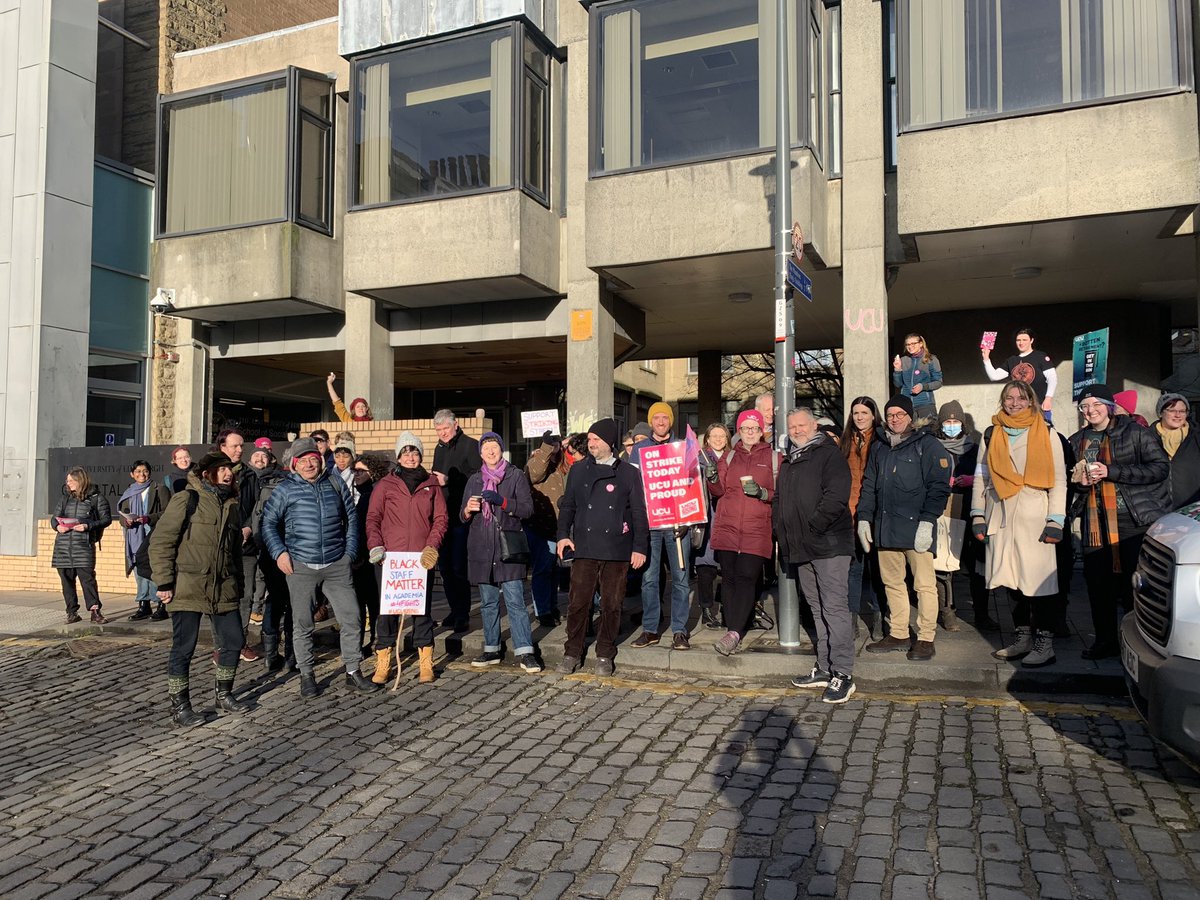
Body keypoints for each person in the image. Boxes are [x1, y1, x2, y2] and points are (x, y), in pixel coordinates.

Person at [260, 437, 381, 697]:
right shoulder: (285, 490)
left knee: (352, 618)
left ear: (319, 461)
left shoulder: (335, 483)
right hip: (301, 564)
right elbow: (268, 524)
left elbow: (351, 519)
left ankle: (352, 671)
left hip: (337, 563)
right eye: (302, 461)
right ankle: (307, 674)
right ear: (294, 464)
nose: (308, 464)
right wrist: (279, 552)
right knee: (303, 624)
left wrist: (349, 553)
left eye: (313, 459)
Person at [1069, 384, 1172, 659]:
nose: (1090, 411)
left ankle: (1137, 642)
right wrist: (1079, 483)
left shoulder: (1135, 432)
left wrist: (1111, 471)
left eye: (1095, 404)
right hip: (1094, 522)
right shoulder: (1076, 440)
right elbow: (1071, 484)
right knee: (1098, 585)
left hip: (1133, 520)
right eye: (1084, 406)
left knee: (1134, 585)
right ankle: (1105, 641)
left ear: (1109, 406)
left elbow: (1160, 468)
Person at [970, 382, 1068, 668]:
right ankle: (1022, 637)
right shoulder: (991, 433)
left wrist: (1056, 520)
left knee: (1039, 583)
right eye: (1009, 397)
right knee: (1011, 581)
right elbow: (981, 476)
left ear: (1031, 401)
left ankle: (1044, 643)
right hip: (1000, 512)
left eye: (1021, 397)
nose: (1014, 402)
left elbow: (1059, 479)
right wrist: (978, 514)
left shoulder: (1047, 433)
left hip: (1035, 515)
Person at [149, 451, 249, 726]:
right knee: (184, 647)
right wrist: (164, 582)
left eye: (231, 469)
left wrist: (238, 585)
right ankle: (180, 707)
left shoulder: (232, 505)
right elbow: (161, 542)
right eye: (223, 469)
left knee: (233, 642)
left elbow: (234, 554)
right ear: (208, 473)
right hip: (187, 586)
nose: (229, 473)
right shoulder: (187, 499)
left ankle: (224, 694)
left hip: (224, 588)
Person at [858, 395, 953, 661]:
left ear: (910, 416)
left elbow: (939, 486)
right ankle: (899, 632)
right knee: (892, 584)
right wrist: (865, 518)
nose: (895, 419)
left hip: (916, 528)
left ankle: (925, 637)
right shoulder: (879, 448)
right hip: (886, 528)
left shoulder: (928, 445)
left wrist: (928, 520)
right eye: (890, 415)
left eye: (900, 414)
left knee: (924, 586)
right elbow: (869, 486)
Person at [556, 417, 649, 676]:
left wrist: (639, 546)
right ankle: (572, 652)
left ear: (609, 442)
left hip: (617, 548)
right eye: (590, 438)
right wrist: (563, 535)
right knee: (578, 603)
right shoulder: (578, 470)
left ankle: (605, 653)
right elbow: (569, 506)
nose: (591, 443)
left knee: (612, 604)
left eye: (596, 439)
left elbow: (639, 513)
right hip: (584, 546)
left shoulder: (629, 473)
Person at [776, 409, 857, 704]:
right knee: (817, 608)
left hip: (829, 544)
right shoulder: (790, 460)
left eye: (802, 425)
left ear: (814, 426)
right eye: (792, 426)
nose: (797, 430)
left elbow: (836, 497)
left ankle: (844, 674)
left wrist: (814, 526)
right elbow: (780, 500)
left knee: (834, 608)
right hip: (802, 546)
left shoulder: (828, 454)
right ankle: (825, 667)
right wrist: (782, 531)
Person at [366, 432, 447, 684]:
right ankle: (384, 660)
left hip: (421, 559)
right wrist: (376, 546)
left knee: (422, 610)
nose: (411, 457)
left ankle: (425, 660)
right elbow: (373, 519)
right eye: (406, 452)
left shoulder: (432, 484)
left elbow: (441, 519)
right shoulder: (385, 485)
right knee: (387, 611)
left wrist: (432, 546)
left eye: (415, 452)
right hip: (390, 559)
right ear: (398, 456)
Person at [461, 432, 539, 671]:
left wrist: (502, 501)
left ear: (501, 449)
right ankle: (492, 648)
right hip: (482, 549)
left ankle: (525, 650)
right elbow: (461, 516)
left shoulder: (515, 475)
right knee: (488, 602)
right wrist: (467, 510)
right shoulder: (474, 479)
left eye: (494, 447)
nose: (491, 452)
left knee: (515, 601)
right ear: (481, 454)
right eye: (486, 449)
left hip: (508, 549)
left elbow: (527, 510)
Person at [706, 409, 779, 656]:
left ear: (761, 431)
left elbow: (778, 492)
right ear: (738, 431)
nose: (750, 432)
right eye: (745, 428)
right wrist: (712, 477)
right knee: (728, 578)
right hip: (728, 527)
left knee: (747, 577)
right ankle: (734, 627)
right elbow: (718, 491)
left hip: (756, 529)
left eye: (754, 428)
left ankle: (734, 632)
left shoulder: (773, 458)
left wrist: (763, 493)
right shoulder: (728, 457)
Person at [631, 401, 692, 650]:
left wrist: (689, 518)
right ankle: (651, 629)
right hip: (650, 524)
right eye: (656, 418)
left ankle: (679, 630)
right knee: (649, 579)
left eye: (664, 418)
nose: (660, 422)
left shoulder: (684, 447)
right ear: (651, 422)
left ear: (670, 421)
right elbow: (634, 487)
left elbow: (693, 483)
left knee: (681, 578)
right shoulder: (639, 449)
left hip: (678, 523)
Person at [525, 431, 585, 627]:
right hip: (542, 525)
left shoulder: (571, 463)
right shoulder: (542, 460)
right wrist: (546, 448)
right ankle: (543, 611)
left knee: (555, 571)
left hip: (563, 528)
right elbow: (533, 473)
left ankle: (551, 607)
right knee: (543, 569)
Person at [840, 397, 886, 639]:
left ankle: (879, 619)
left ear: (873, 414)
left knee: (878, 570)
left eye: (864, 412)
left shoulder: (881, 439)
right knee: (854, 570)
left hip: (875, 513)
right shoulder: (846, 440)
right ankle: (851, 620)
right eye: (855, 412)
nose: (859, 417)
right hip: (850, 513)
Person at [932, 401, 979, 633]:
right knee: (943, 565)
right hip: (944, 511)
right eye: (948, 422)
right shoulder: (932, 446)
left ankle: (982, 614)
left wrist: (972, 480)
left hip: (970, 510)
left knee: (976, 564)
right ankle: (947, 611)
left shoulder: (975, 448)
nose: (952, 426)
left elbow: (986, 473)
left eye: (956, 421)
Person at [432, 409, 481, 632]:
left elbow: (477, 477)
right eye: (439, 429)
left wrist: (449, 479)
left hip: (462, 514)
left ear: (456, 425)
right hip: (442, 515)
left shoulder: (470, 445)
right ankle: (454, 609)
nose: (442, 433)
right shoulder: (439, 448)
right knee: (445, 567)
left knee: (458, 566)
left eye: (445, 428)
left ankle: (463, 613)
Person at [217, 428, 261, 662]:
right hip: (218, 547)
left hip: (246, 547)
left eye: (242, 445)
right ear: (222, 447)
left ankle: (240, 642)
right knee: (221, 595)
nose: (240, 449)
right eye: (235, 445)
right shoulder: (210, 474)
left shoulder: (250, 475)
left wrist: (248, 527)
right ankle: (221, 645)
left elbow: (256, 507)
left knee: (245, 595)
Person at [250, 446, 294, 673]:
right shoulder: (294, 487)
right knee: (292, 604)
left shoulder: (266, 486)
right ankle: (290, 657)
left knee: (274, 602)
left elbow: (259, 525)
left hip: (269, 552)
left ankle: (271, 655)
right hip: (289, 553)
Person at [51, 467, 112, 624]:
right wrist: (58, 527)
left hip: (83, 546)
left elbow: (106, 520)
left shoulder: (96, 498)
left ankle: (95, 611)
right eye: (67, 481)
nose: (68, 483)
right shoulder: (65, 498)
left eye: (71, 480)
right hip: (63, 547)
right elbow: (54, 519)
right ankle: (71, 612)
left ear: (81, 481)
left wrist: (87, 526)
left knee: (87, 580)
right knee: (66, 580)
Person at [118, 460, 172, 621]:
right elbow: (122, 515)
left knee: (154, 569)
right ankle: (144, 604)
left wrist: (149, 518)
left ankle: (161, 606)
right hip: (134, 536)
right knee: (139, 570)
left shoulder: (159, 489)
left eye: (145, 471)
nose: (142, 474)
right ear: (132, 474)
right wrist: (126, 521)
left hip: (153, 533)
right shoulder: (129, 492)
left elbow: (168, 512)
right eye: (138, 471)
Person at [351, 452, 391, 654]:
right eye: (354, 470)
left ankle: (378, 640)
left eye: (361, 471)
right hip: (360, 557)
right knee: (362, 601)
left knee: (374, 602)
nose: (356, 474)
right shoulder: (363, 495)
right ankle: (364, 641)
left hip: (372, 557)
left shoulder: (375, 493)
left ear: (373, 472)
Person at [695, 422, 732, 630]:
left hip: (727, 517)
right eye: (714, 436)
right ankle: (707, 610)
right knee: (706, 566)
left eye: (722, 436)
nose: (718, 440)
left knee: (727, 566)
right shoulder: (698, 459)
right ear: (707, 439)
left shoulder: (733, 459)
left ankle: (727, 607)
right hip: (706, 518)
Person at [982, 327, 1056, 423]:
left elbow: (1052, 378)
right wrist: (986, 359)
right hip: (1018, 408)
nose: (1021, 343)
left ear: (1031, 340)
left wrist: (1048, 399)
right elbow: (994, 376)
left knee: (1043, 433)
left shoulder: (1040, 356)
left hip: (1039, 405)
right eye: (1018, 340)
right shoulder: (1011, 360)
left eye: (1024, 340)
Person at [1152, 393, 1200, 507]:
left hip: (1191, 507)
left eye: (1182, 411)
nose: (1178, 415)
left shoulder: (1196, 436)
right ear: (1161, 412)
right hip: (1157, 507)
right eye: (1172, 410)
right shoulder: (1147, 437)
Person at [891, 333, 942, 421]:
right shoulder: (903, 360)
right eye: (907, 344)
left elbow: (938, 382)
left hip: (925, 405)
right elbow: (898, 384)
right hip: (906, 406)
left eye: (913, 344)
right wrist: (897, 369)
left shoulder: (931, 359)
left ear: (921, 344)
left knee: (927, 432)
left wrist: (923, 387)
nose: (910, 347)